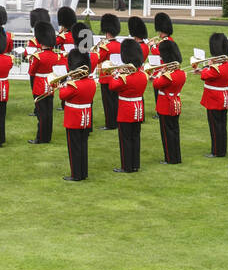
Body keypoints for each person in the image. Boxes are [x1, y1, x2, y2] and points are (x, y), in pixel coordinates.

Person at [105, 37, 148, 174]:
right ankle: (135, 164)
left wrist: (115, 74)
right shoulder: (143, 75)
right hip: (138, 109)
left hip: (126, 110)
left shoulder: (124, 77)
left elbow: (112, 86)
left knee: (126, 139)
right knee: (135, 137)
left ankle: (127, 166)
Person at [193, 31, 228, 158]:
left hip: (214, 99)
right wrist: (207, 67)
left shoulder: (216, 68)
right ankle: (221, 150)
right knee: (222, 125)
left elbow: (205, 76)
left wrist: (207, 67)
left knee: (215, 127)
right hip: (224, 98)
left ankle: (216, 151)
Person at [59, 49, 96, 181]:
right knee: (83, 145)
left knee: (74, 147)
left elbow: (62, 95)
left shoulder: (73, 85)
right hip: (85, 117)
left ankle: (76, 174)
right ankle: (83, 172)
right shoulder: (91, 82)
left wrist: (62, 85)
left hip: (73, 118)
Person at [150, 39, 186, 164]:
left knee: (167, 133)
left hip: (165, 105)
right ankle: (176, 157)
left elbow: (156, 84)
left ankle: (170, 158)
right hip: (176, 104)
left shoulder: (167, 75)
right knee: (175, 131)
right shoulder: (181, 73)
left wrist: (160, 73)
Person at [28, 19, 61, 145]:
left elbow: (31, 72)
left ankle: (40, 137)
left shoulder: (38, 56)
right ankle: (47, 137)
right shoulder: (56, 56)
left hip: (40, 85)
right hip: (51, 85)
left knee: (41, 114)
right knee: (48, 113)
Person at [95, 13, 122, 130]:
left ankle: (110, 124)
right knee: (116, 100)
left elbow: (98, 59)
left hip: (106, 78)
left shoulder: (105, 46)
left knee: (108, 103)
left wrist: (97, 49)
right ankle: (117, 121)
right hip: (117, 77)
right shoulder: (120, 45)